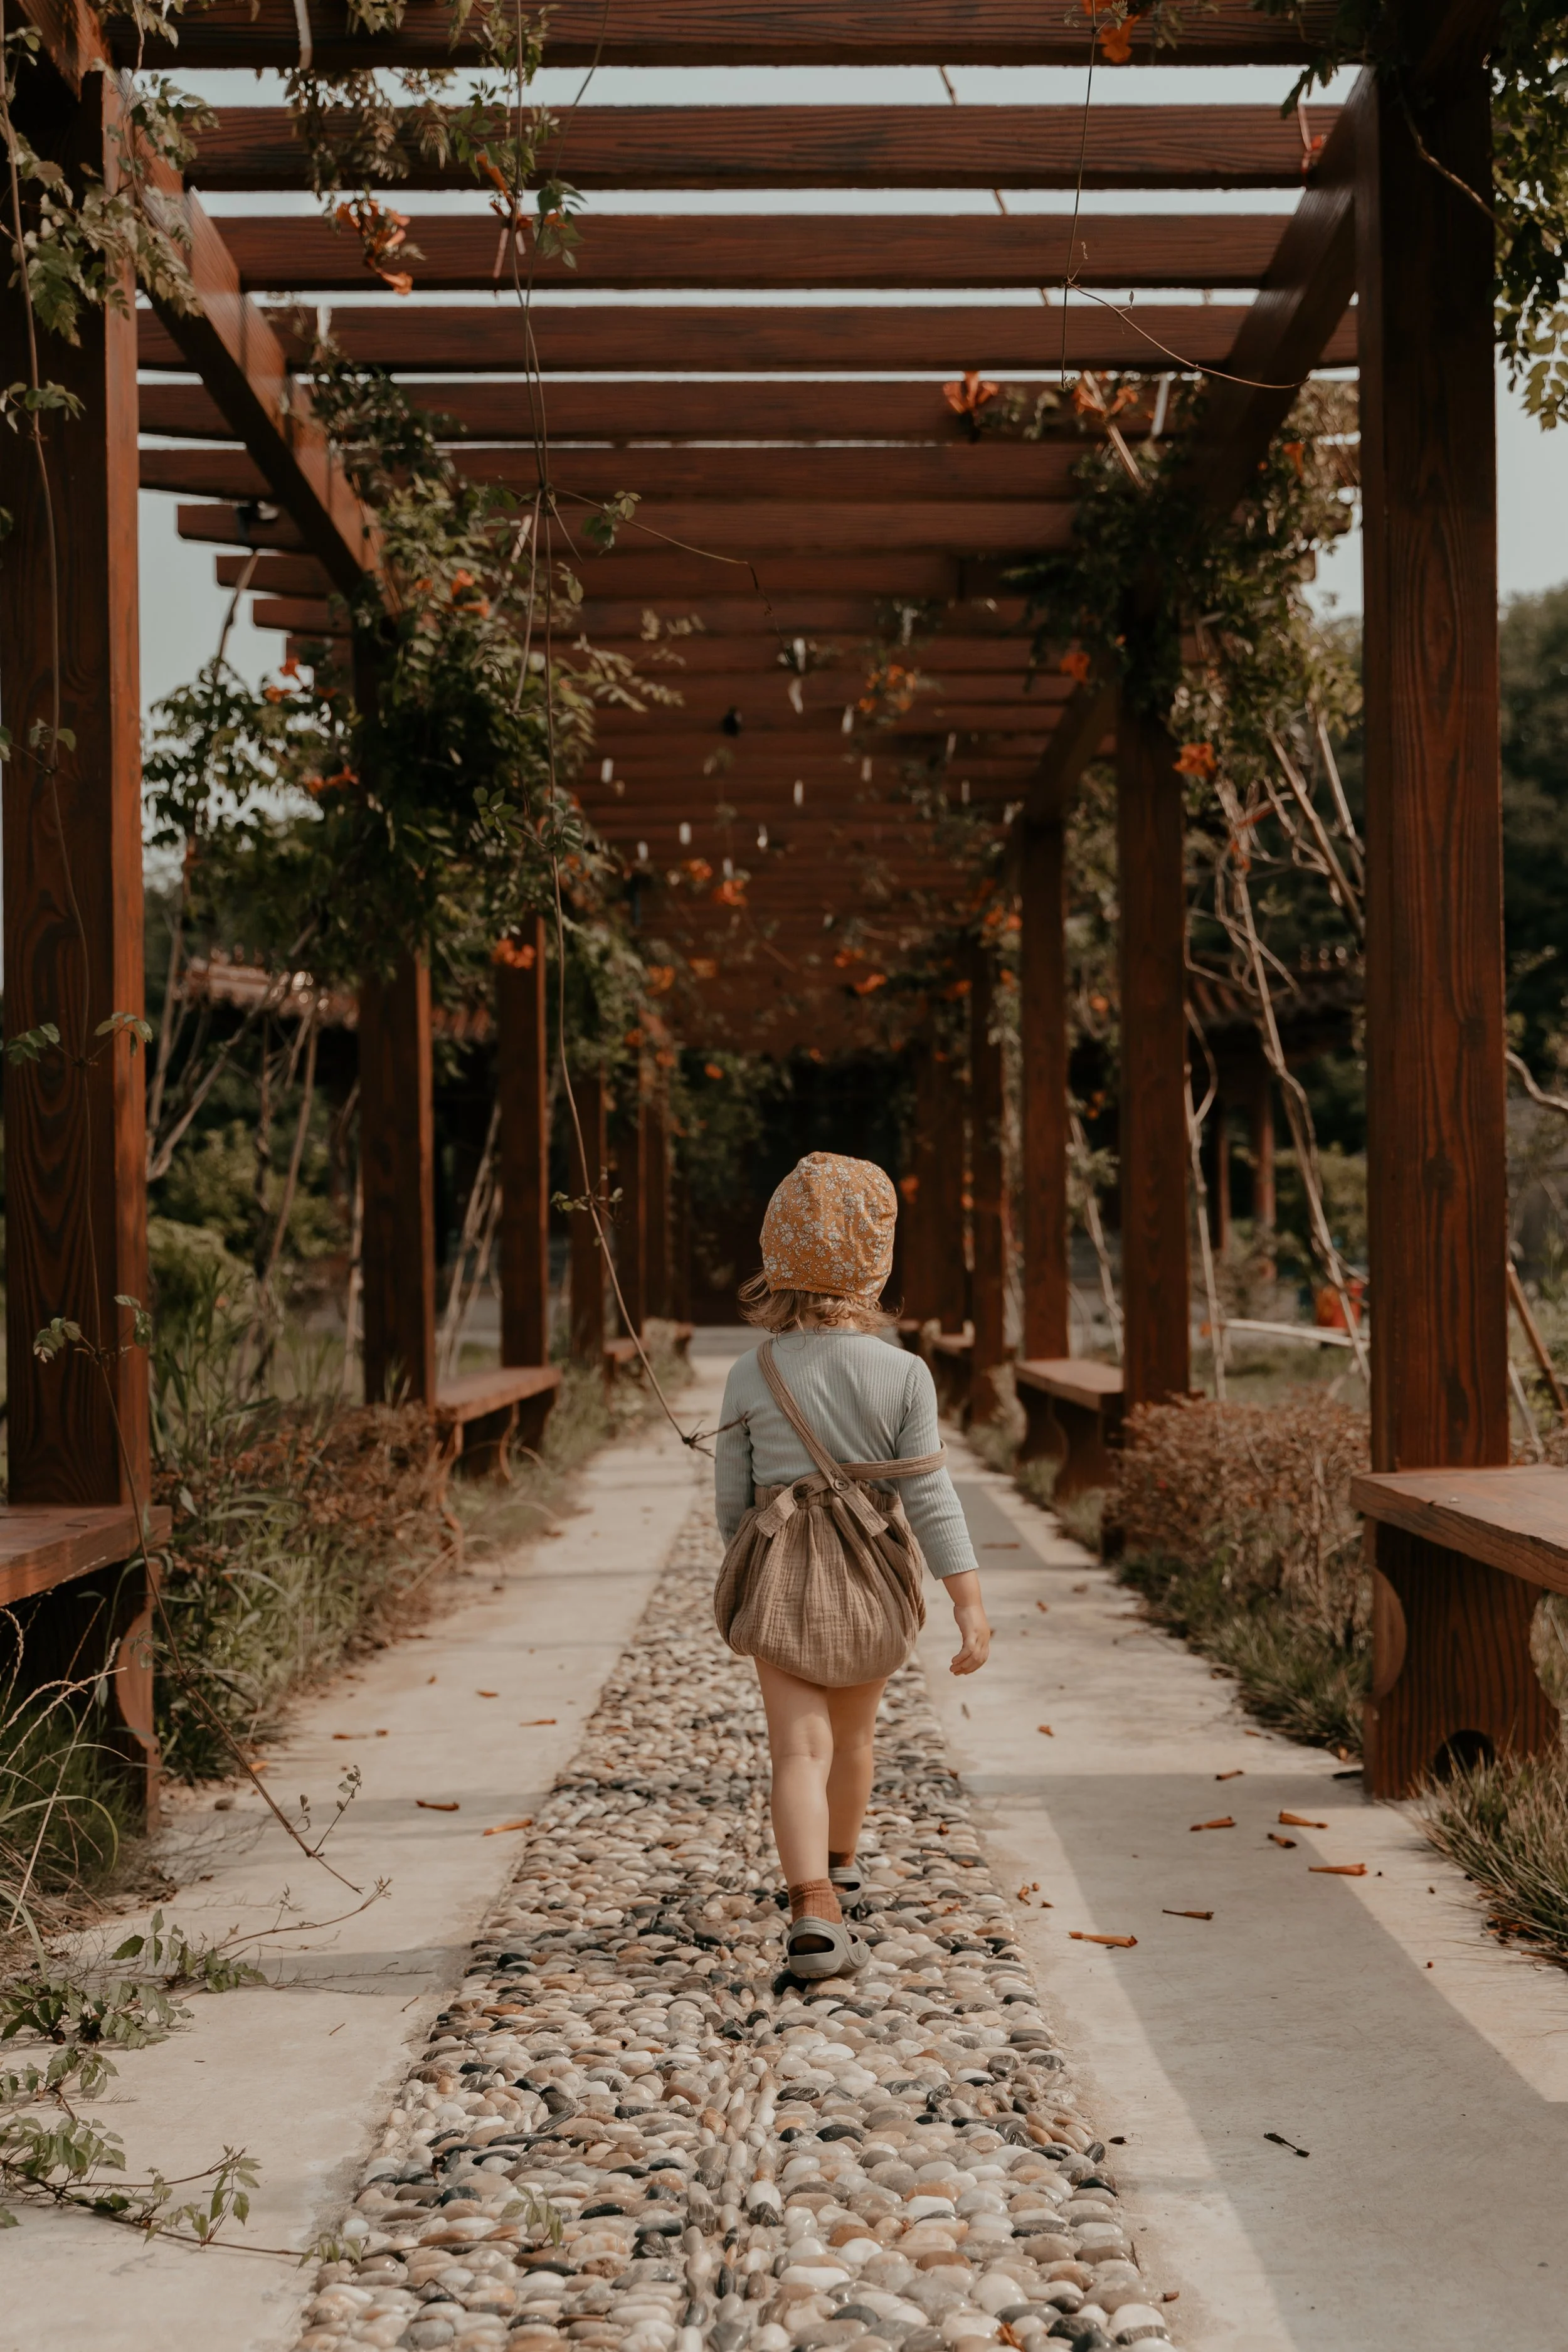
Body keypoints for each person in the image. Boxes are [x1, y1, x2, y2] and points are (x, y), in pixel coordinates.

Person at [715, 1151, 991, 1979]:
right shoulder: (905, 1372)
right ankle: (840, 1862)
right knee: (855, 1736)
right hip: (874, 1573)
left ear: (777, 1257)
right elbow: (933, 1496)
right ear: (878, 1261)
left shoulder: (750, 1370)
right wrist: (967, 1602)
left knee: (796, 1750)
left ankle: (811, 1906)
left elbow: (732, 1502)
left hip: (782, 1576)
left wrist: (751, 1563)